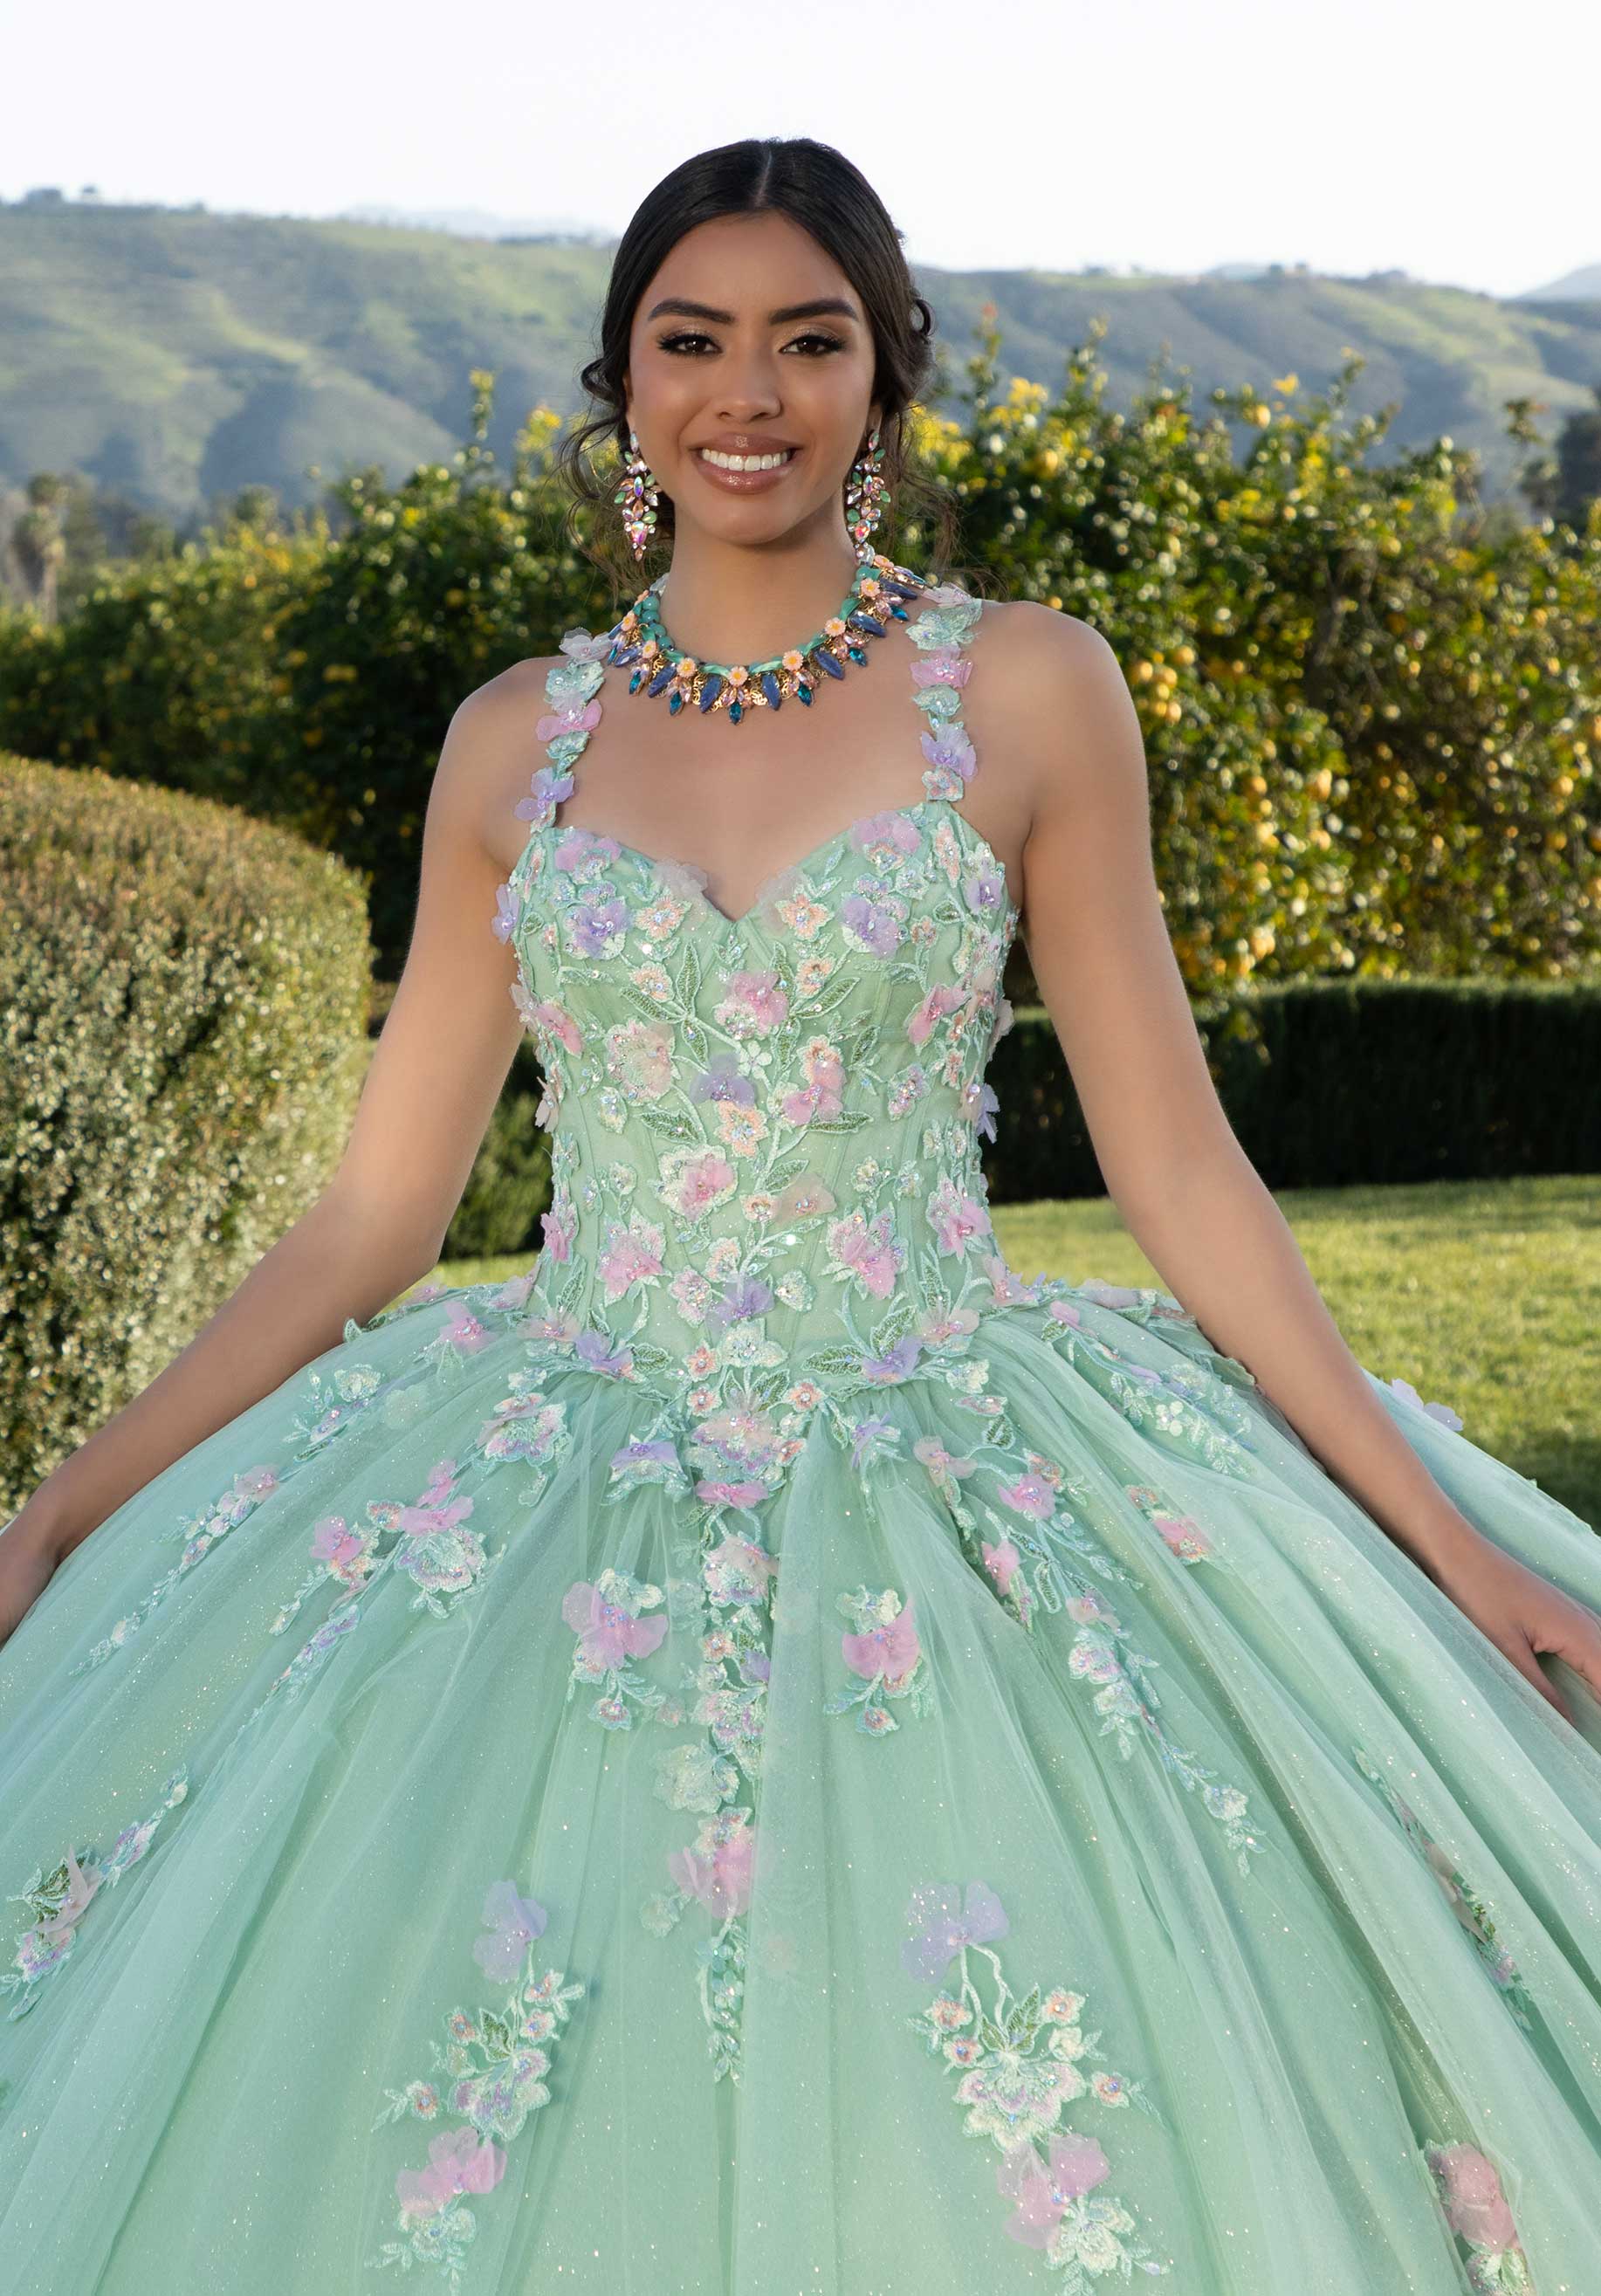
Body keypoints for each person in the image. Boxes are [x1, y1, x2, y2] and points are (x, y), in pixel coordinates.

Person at [2, 136, 1598, 2296]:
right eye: (691, 340)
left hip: (948, 1458)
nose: (744, 392)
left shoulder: (1025, 689)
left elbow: (1174, 1164)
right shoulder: (511, 746)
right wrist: (72, 1504)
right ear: (624, 384)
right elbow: (370, 1219)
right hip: (556, 1484)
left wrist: (1437, 1539)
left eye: (806, 340)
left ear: (881, 378)